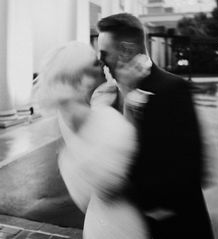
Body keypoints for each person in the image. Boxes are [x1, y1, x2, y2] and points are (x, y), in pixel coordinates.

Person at [96, 13, 215, 239]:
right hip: (131, 222)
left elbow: (193, 163)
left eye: (104, 54)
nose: (101, 61)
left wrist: (158, 206)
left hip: (174, 225)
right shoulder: (112, 94)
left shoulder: (172, 89)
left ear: (126, 50)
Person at [35, 41, 150, 239]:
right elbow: (113, 183)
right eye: (96, 63)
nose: (104, 66)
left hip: (101, 218)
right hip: (118, 225)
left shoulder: (75, 110)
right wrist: (129, 90)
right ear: (82, 76)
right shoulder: (86, 115)